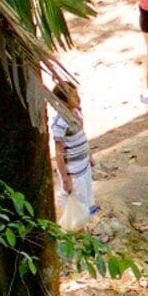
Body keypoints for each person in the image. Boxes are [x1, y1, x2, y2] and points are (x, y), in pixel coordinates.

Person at [48, 75, 93, 223]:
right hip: (74, 171)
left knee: (85, 201)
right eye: (73, 96)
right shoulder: (60, 123)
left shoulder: (77, 113)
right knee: (76, 205)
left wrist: (89, 156)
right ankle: (78, 232)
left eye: (77, 94)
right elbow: (59, 153)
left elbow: (82, 136)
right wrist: (65, 178)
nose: (78, 98)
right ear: (62, 101)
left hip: (84, 166)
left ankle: (84, 231)